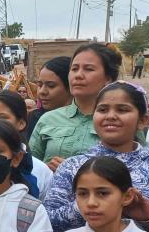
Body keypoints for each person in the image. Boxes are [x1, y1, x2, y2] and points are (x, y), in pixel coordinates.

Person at [44, 81, 149, 232]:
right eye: (102, 109)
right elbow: (47, 223)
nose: (111, 116)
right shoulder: (72, 166)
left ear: (142, 121)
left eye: (122, 110)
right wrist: (88, 204)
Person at [30, 43, 122, 171]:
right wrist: (45, 170)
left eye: (88, 69)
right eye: (74, 69)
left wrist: (75, 171)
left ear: (108, 78)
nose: (78, 75)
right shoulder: (48, 119)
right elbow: (29, 169)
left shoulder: (121, 121)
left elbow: (137, 171)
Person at [27, 56, 73, 142]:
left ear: (70, 87)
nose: (42, 91)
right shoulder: (34, 118)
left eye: (51, 86)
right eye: (40, 85)